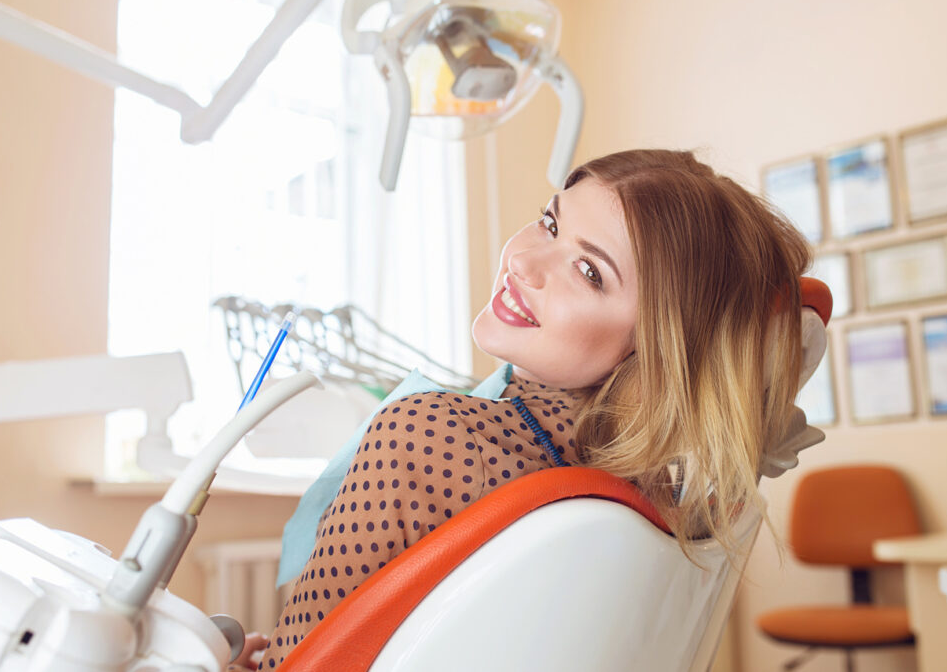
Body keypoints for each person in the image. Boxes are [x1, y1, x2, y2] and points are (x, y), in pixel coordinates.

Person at [227, 148, 811, 670]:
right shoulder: (652, 495)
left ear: (658, 348)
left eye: (588, 271)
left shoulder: (432, 435)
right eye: (550, 222)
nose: (524, 262)